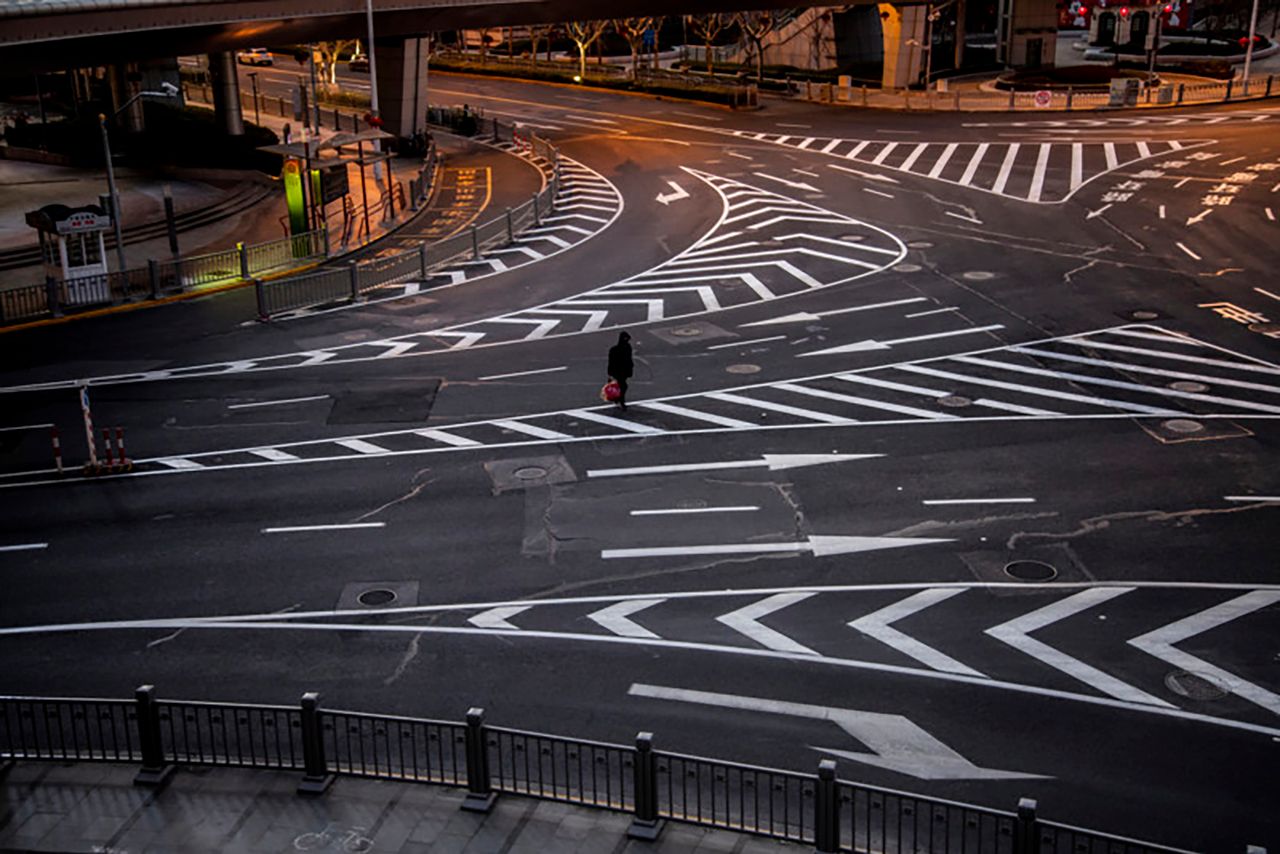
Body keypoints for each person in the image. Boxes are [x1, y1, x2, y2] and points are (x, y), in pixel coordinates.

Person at [607, 331, 634, 410]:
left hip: (622, 370)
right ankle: (621, 400)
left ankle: (618, 399)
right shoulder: (624, 348)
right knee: (623, 386)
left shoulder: (615, 349)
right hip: (620, 370)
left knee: (621, 385)